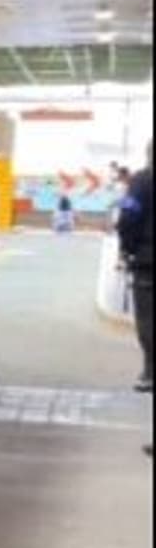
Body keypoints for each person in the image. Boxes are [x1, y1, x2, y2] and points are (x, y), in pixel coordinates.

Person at [117, 142, 152, 401]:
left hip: (148, 262)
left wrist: (127, 249)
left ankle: (151, 370)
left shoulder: (142, 181)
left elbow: (128, 217)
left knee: (148, 322)